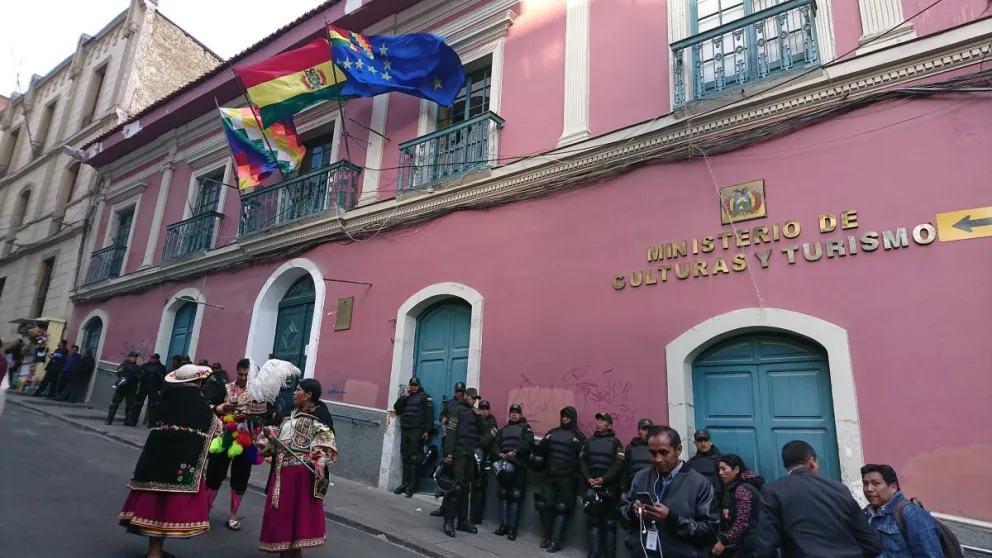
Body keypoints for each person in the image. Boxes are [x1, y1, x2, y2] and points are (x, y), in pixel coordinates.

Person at [118, 364, 220, 558]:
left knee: (152, 506)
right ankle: (155, 553)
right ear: (197, 382)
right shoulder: (196, 402)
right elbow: (213, 425)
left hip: (154, 461)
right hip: (178, 464)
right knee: (165, 508)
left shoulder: (167, 398)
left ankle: (154, 549)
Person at [752, 440, 881, 558]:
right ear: (812, 462)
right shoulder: (839, 489)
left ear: (786, 465)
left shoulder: (773, 490)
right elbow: (871, 544)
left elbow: (766, 545)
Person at [257, 378, 337, 556]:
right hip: (281, 472)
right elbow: (278, 435)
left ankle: (292, 553)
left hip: (300, 474)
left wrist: (320, 460)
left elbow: (325, 440)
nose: (294, 392)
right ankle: (285, 552)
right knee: (283, 515)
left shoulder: (320, 415)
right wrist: (270, 435)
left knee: (296, 515)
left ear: (308, 395)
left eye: (298, 390)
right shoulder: (289, 413)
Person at [619, 425, 719, 558]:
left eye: (664, 452)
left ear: (678, 449)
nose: (658, 459)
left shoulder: (700, 484)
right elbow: (622, 513)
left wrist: (672, 519)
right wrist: (632, 511)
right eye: (653, 453)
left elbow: (710, 532)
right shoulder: (641, 477)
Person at [205, 358, 268, 531]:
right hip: (224, 438)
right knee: (214, 475)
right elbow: (209, 405)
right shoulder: (224, 388)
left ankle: (232, 516)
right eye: (240, 374)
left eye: (246, 375)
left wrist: (253, 412)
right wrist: (222, 408)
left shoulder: (258, 392)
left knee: (240, 479)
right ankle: (204, 512)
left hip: (246, 441)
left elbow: (268, 413)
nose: (243, 378)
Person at [861, 464, 944, 558]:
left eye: (876, 483)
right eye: (865, 484)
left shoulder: (911, 514)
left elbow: (930, 554)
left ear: (893, 487)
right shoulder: (865, 514)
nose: (869, 489)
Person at [534, 406, 586, 553]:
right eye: (563, 416)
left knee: (561, 508)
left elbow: (583, 458)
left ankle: (555, 541)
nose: (565, 419)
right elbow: (539, 451)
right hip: (550, 475)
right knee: (543, 505)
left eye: (568, 417)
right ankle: (550, 537)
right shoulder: (552, 432)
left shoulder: (579, 436)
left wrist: (577, 444)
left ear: (573, 419)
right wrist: (545, 441)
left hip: (567, 478)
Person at [440, 381, 484, 538]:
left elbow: (482, 430)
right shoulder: (458, 410)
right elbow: (451, 432)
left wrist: (479, 417)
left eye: (475, 398)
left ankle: (463, 521)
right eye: (472, 397)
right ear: (466, 396)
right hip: (458, 454)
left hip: (469, 454)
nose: (474, 400)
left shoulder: (473, 412)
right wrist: (449, 454)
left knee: (466, 488)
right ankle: (449, 521)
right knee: (456, 488)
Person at [579, 412, 626, 558]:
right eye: (598, 420)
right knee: (593, 520)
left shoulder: (616, 443)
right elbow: (582, 461)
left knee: (610, 524)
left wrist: (604, 479)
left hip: (609, 488)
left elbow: (619, 464)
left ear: (609, 425)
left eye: (603, 421)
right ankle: (593, 554)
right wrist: (588, 477)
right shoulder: (589, 442)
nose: (599, 422)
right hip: (592, 486)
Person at [487, 403, 533, 540]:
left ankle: (512, 529)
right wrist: (500, 454)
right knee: (503, 493)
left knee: (515, 495)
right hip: (504, 464)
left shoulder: (526, 428)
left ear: (520, 415)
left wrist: (515, 451)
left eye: (516, 412)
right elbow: (495, 444)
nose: (514, 414)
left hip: (518, 466)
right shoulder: (503, 430)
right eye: (512, 412)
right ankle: (503, 526)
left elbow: (528, 443)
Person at [712, 454, 765, 558]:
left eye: (723, 469)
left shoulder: (742, 489)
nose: (720, 473)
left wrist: (723, 542)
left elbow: (742, 521)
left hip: (752, 546)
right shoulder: (750, 483)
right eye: (719, 469)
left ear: (736, 469)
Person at [392, 376, 434, 497]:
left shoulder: (425, 397)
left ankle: (412, 486)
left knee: (415, 459)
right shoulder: (406, 397)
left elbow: (429, 415)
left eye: (416, 385)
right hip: (406, 430)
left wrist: (427, 431)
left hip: (417, 431)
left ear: (419, 385)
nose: (414, 387)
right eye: (412, 385)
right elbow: (397, 408)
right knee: (405, 456)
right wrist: (405, 396)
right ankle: (404, 483)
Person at [470, 396, 498, 525]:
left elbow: (485, 442)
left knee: (479, 489)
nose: (484, 411)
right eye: (482, 409)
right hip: (471, 457)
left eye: (486, 409)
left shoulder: (492, 423)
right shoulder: (474, 420)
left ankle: (476, 518)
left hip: (483, 461)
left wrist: (476, 440)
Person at [685, 429, 722, 504]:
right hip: (698, 502)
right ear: (695, 443)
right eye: (699, 441)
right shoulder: (690, 463)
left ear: (710, 442)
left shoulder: (721, 460)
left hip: (718, 501)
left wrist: (726, 505)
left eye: (705, 440)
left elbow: (727, 484)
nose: (703, 443)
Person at [107, 351, 143, 426]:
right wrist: (126, 376)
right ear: (129, 357)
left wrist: (136, 377)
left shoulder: (138, 368)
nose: (134, 358)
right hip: (122, 387)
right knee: (114, 404)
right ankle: (109, 420)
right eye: (133, 357)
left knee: (130, 406)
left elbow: (141, 375)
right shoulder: (123, 365)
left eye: (135, 357)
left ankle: (127, 421)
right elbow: (119, 372)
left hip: (132, 388)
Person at [624, 418, 654, 496]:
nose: (647, 433)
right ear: (638, 431)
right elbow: (624, 471)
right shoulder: (630, 448)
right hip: (633, 488)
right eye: (644, 429)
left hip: (653, 488)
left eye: (649, 430)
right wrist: (623, 491)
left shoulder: (656, 447)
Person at [138, 354, 168, 426]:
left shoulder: (161, 367)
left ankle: (151, 423)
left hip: (154, 388)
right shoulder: (144, 366)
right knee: (138, 403)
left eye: (153, 358)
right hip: (143, 386)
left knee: (152, 406)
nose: (151, 359)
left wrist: (160, 389)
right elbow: (139, 374)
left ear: (157, 359)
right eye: (151, 358)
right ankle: (133, 419)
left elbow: (163, 379)